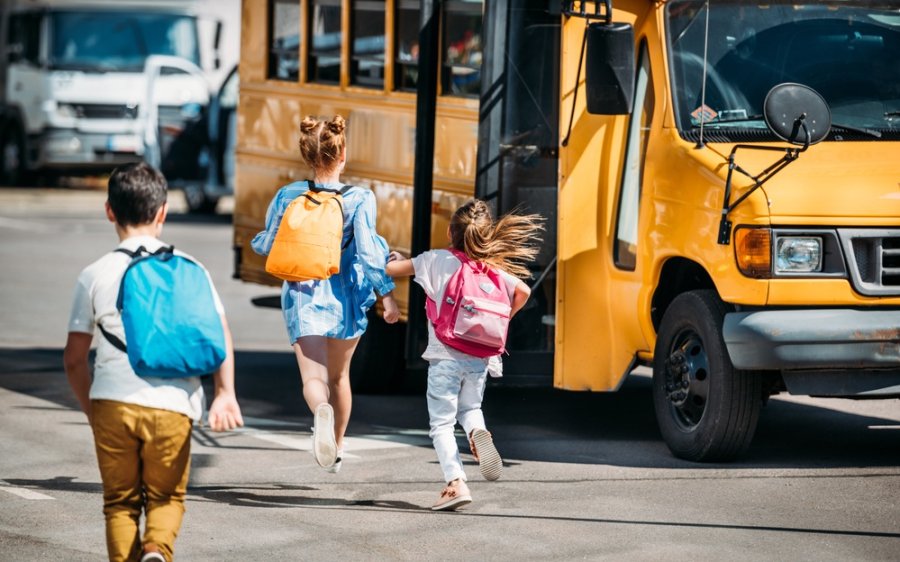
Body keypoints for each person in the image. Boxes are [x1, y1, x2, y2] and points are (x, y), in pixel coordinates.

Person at [63, 162, 244, 562]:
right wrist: (225, 393)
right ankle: (157, 552)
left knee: (120, 503)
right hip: (174, 406)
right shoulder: (192, 268)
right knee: (166, 496)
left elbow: (75, 359)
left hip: (113, 403)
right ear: (163, 212)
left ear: (109, 210)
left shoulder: (94, 274)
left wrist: (93, 409)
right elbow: (220, 333)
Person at [251, 114, 400, 473]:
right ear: (342, 153)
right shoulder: (360, 199)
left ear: (306, 155)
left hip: (303, 294)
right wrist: (388, 295)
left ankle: (319, 410)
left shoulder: (288, 195)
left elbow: (266, 244)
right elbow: (367, 253)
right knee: (340, 379)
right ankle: (337, 445)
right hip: (346, 297)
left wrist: (261, 242)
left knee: (314, 380)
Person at [385, 199, 542, 511]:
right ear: (485, 236)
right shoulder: (493, 270)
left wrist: (396, 258)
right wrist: (502, 319)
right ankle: (477, 432)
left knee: (441, 424)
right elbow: (524, 290)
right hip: (479, 357)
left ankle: (455, 482)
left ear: (449, 232)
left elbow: (390, 270)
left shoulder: (436, 260)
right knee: (470, 409)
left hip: (445, 355)